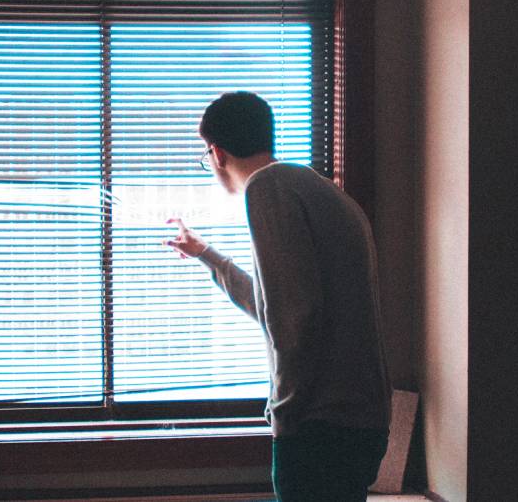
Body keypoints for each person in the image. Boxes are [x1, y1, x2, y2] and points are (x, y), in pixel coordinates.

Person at [163, 91, 392, 501]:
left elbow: (296, 321)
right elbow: (276, 307)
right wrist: (206, 254)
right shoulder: (315, 188)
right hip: (357, 421)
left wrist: (283, 415)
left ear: (215, 152)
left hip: (321, 427)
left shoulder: (267, 189)